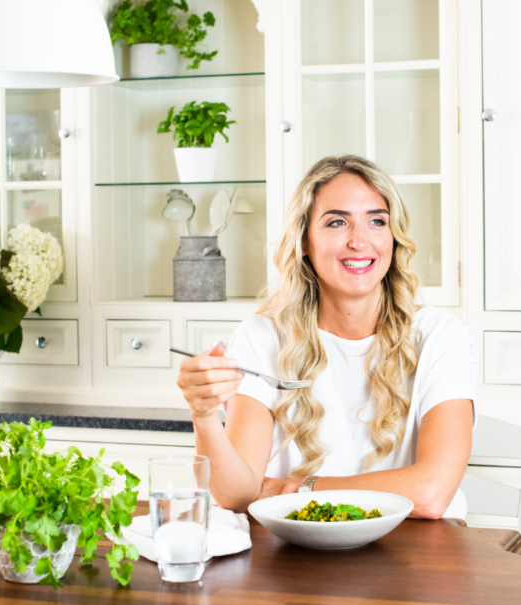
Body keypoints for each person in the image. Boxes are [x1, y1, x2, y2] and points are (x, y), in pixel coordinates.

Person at [177, 155, 475, 519]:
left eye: (376, 221)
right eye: (336, 222)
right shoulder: (261, 337)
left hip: (417, 558)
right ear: (304, 241)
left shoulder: (440, 337)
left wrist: (295, 489)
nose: (359, 241)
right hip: (297, 559)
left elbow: (431, 493)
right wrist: (204, 415)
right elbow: (236, 494)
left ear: (393, 238)